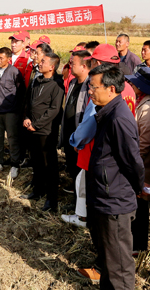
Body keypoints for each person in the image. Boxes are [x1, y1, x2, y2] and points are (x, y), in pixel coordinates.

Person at [77, 63, 145, 289]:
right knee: (109, 259)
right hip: (105, 196)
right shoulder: (106, 112)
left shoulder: (118, 118)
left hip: (114, 200)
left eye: (94, 87)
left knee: (118, 265)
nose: (90, 91)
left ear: (111, 89)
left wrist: (138, 188)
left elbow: (132, 161)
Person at [62, 45, 136, 230]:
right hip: (119, 152)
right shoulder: (127, 87)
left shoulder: (101, 91)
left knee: (86, 187)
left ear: (98, 63)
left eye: (93, 62)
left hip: (97, 150)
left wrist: (75, 140)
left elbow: (89, 124)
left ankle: (84, 218)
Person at [125, 67, 150, 255]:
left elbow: (145, 142)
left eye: (135, 82)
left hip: (143, 166)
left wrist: (132, 162)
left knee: (140, 207)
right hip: (140, 163)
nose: (131, 84)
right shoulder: (141, 102)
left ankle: (138, 246)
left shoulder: (147, 108)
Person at [21, 53, 64, 212]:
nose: (39, 63)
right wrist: (27, 117)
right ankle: (38, 190)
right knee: (37, 161)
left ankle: (51, 199)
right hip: (32, 128)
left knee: (49, 164)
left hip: (46, 131)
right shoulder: (37, 81)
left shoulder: (57, 85)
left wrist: (37, 124)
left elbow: (54, 109)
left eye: (43, 62)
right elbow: (29, 102)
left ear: (52, 67)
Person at [0, 47, 25, 178]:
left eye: (1, 58)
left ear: (8, 59)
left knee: (12, 138)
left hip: (11, 112)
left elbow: (21, 93)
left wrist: (18, 111)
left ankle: (15, 164)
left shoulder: (15, 72)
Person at [60, 50, 91, 193]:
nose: (70, 65)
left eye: (73, 63)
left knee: (81, 167)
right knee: (71, 162)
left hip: (80, 135)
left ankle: (80, 197)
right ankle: (74, 188)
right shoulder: (73, 82)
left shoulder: (90, 85)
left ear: (84, 66)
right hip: (69, 131)